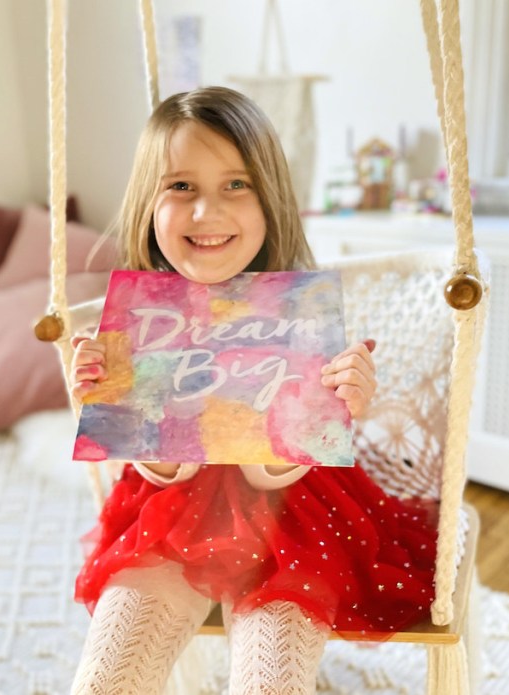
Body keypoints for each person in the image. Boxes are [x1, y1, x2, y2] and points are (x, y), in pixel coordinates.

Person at [68, 86, 437, 695]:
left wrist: (336, 405)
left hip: (298, 520)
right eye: (180, 186)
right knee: (106, 680)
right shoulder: (142, 322)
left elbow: (271, 474)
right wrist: (119, 403)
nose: (205, 213)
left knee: (271, 684)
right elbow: (167, 471)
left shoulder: (300, 317)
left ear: (269, 199)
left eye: (234, 185)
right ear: (147, 204)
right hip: (171, 515)